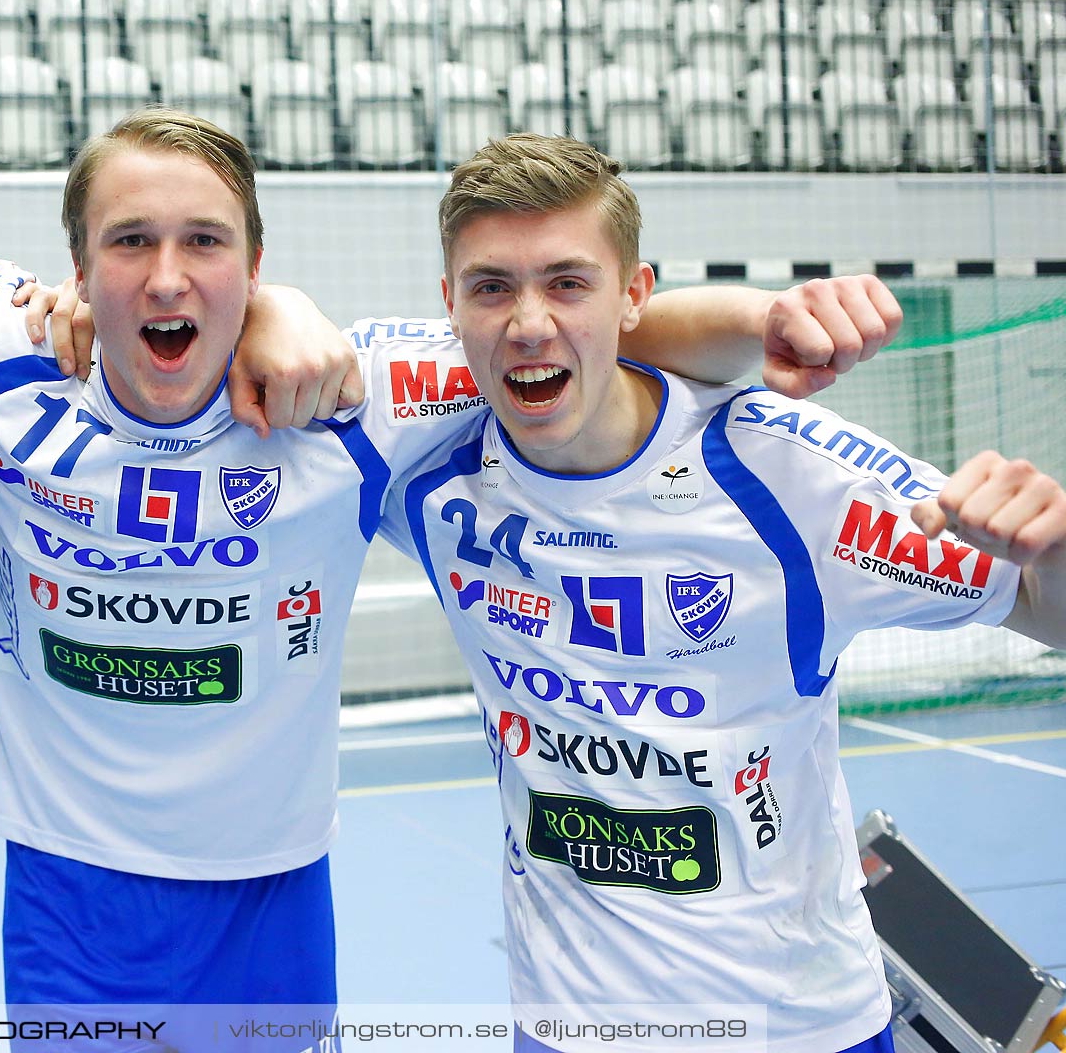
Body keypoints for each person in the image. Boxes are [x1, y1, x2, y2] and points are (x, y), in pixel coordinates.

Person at [0, 104, 905, 1022]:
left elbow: (577, 332)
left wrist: (767, 321)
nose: (168, 277)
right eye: (130, 243)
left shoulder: (352, 397)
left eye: (209, 246)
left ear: (258, 260)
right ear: (75, 270)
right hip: (72, 902)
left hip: (275, 899)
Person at [367, 134, 1066, 1052]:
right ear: (448, 306)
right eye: (491, 287)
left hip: (797, 1030)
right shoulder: (425, 463)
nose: (529, 322)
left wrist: (1051, 551)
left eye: (569, 283)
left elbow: (1046, 612)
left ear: (636, 296)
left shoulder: (790, 479)